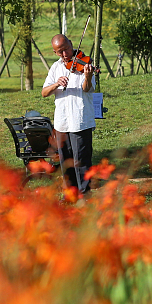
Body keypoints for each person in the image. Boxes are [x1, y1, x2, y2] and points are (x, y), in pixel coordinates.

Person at [42, 34, 96, 194]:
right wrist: (56, 84)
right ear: (55, 52)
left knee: (82, 161)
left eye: (66, 49)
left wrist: (87, 75)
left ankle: (85, 195)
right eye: (60, 52)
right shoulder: (56, 67)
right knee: (66, 161)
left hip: (80, 121)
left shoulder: (83, 63)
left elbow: (87, 88)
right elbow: (44, 92)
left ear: (71, 44)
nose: (65, 54)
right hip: (62, 122)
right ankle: (71, 195)